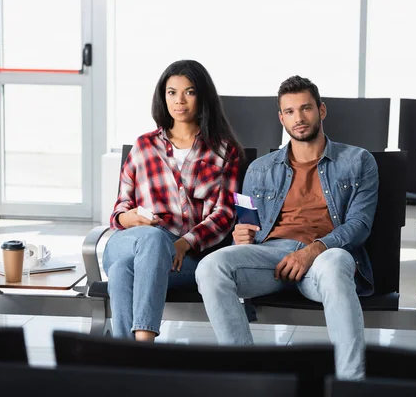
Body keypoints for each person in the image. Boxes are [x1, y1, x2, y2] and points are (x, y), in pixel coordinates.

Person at [195, 75, 378, 379]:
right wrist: (242, 235)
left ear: (321, 110)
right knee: (210, 267)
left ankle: (350, 384)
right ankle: (245, 376)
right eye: (290, 112)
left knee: (335, 266)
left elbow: (359, 225)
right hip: (271, 257)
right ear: (281, 118)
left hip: (325, 255)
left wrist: (310, 252)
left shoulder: (358, 161)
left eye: (305, 109)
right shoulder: (258, 169)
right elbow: (247, 224)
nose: (299, 118)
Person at [103, 59, 242, 342]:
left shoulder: (224, 151)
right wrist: (129, 218)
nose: (179, 101)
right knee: (151, 240)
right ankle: (144, 346)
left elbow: (225, 214)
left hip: (185, 257)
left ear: (203, 97)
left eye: (189, 92)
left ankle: (126, 360)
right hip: (129, 240)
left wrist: (184, 242)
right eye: (171, 92)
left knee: (121, 272)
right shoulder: (143, 146)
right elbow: (120, 208)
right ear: (162, 96)